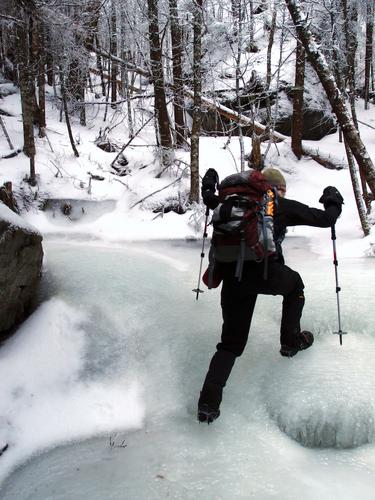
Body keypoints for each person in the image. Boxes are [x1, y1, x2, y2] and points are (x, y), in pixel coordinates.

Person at [198, 167, 344, 424]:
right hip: (266, 272)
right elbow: (325, 219)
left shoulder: (226, 202)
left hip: (233, 279)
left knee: (230, 344)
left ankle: (208, 405)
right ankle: (290, 342)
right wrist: (333, 198)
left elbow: (208, 196)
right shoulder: (275, 204)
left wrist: (209, 183)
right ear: (273, 188)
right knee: (295, 287)